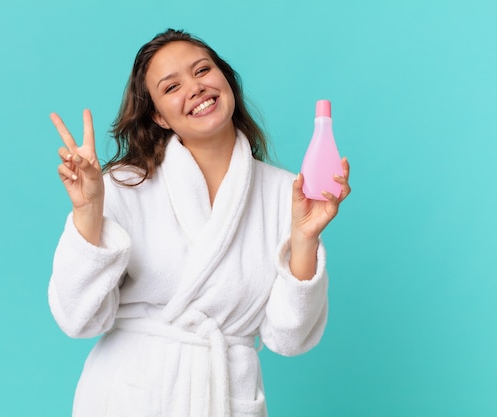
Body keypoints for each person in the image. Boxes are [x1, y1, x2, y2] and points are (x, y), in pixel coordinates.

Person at [48, 28, 351, 417]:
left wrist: (306, 237)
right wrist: (89, 212)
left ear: (226, 80)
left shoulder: (285, 192)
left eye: (202, 70)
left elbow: (290, 338)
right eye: (171, 86)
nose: (195, 88)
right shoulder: (120, 186)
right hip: (130, 396)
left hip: (225, 395)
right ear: (158, 115)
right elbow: (78, 320)